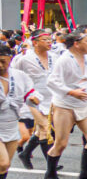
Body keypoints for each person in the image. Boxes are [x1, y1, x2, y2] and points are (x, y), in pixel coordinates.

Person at [45, 29, 87, 179]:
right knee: (61, 143)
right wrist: (71, 92)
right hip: (65, 105)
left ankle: (84, 173)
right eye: (86, 41)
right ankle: (50, 174)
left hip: (84, 104)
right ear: (76, 44)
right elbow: (52, 82)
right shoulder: (64, 60)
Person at [0, 44, 40, 179]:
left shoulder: (20, 76)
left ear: (10, 57)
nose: (1, 65)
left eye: (3, 61)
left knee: (3, 168)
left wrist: (35, 98)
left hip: (11, 124)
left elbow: (31, 94)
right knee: (3, 163)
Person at [12, 30, 54, 170]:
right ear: (35, 42)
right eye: (45, 39)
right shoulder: (24, 59)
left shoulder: (55, 57)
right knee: (45, 129)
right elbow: (14, 74)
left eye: (50, 39)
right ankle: (51, 167)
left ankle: (25, 153)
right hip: (30, 99)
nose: (49, 41)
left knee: (41, 131)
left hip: (50, 98)